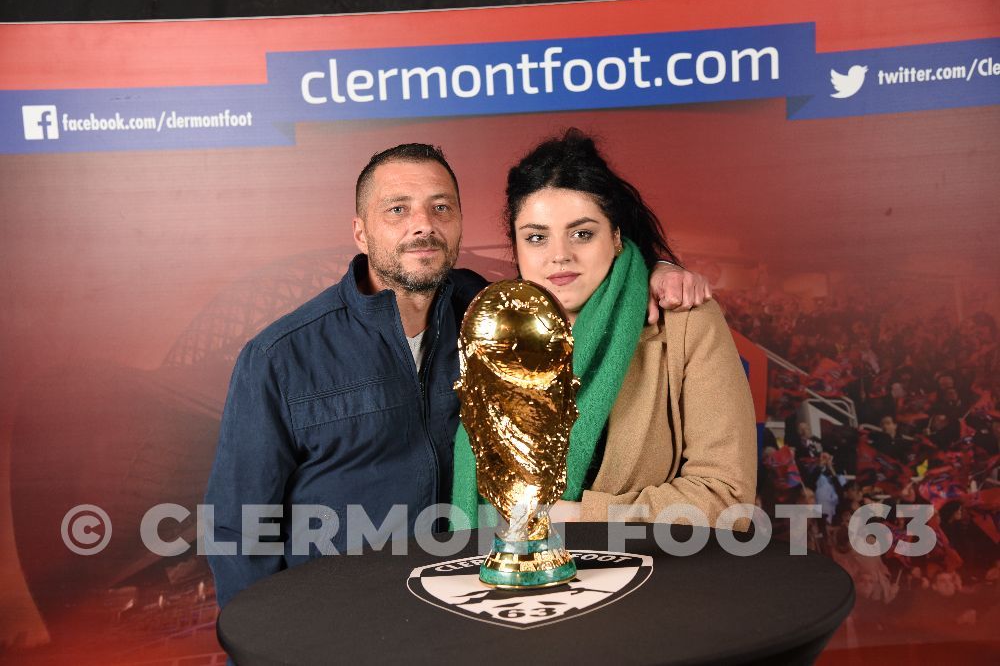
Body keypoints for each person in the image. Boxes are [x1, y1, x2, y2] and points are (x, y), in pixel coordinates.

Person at [205, 142, 711, 608]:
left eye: (440, 207)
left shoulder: (493, 314)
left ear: (460, 222)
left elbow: (574, 262)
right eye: (398, 209)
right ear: (361, 231)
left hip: (466, 612)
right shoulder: (281, 356)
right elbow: (238, 530)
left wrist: (654, 270)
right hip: (341, 624)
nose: (422, 225)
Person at [452, 130, 756, 527]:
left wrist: (580, 517)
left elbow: (727, 497)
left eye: (582, 233)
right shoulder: (493, 332)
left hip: (651, 578)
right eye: (537, 238)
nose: (560, 255)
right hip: (511, 577)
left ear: (615, 237)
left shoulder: (684, 321)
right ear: (516, 247)